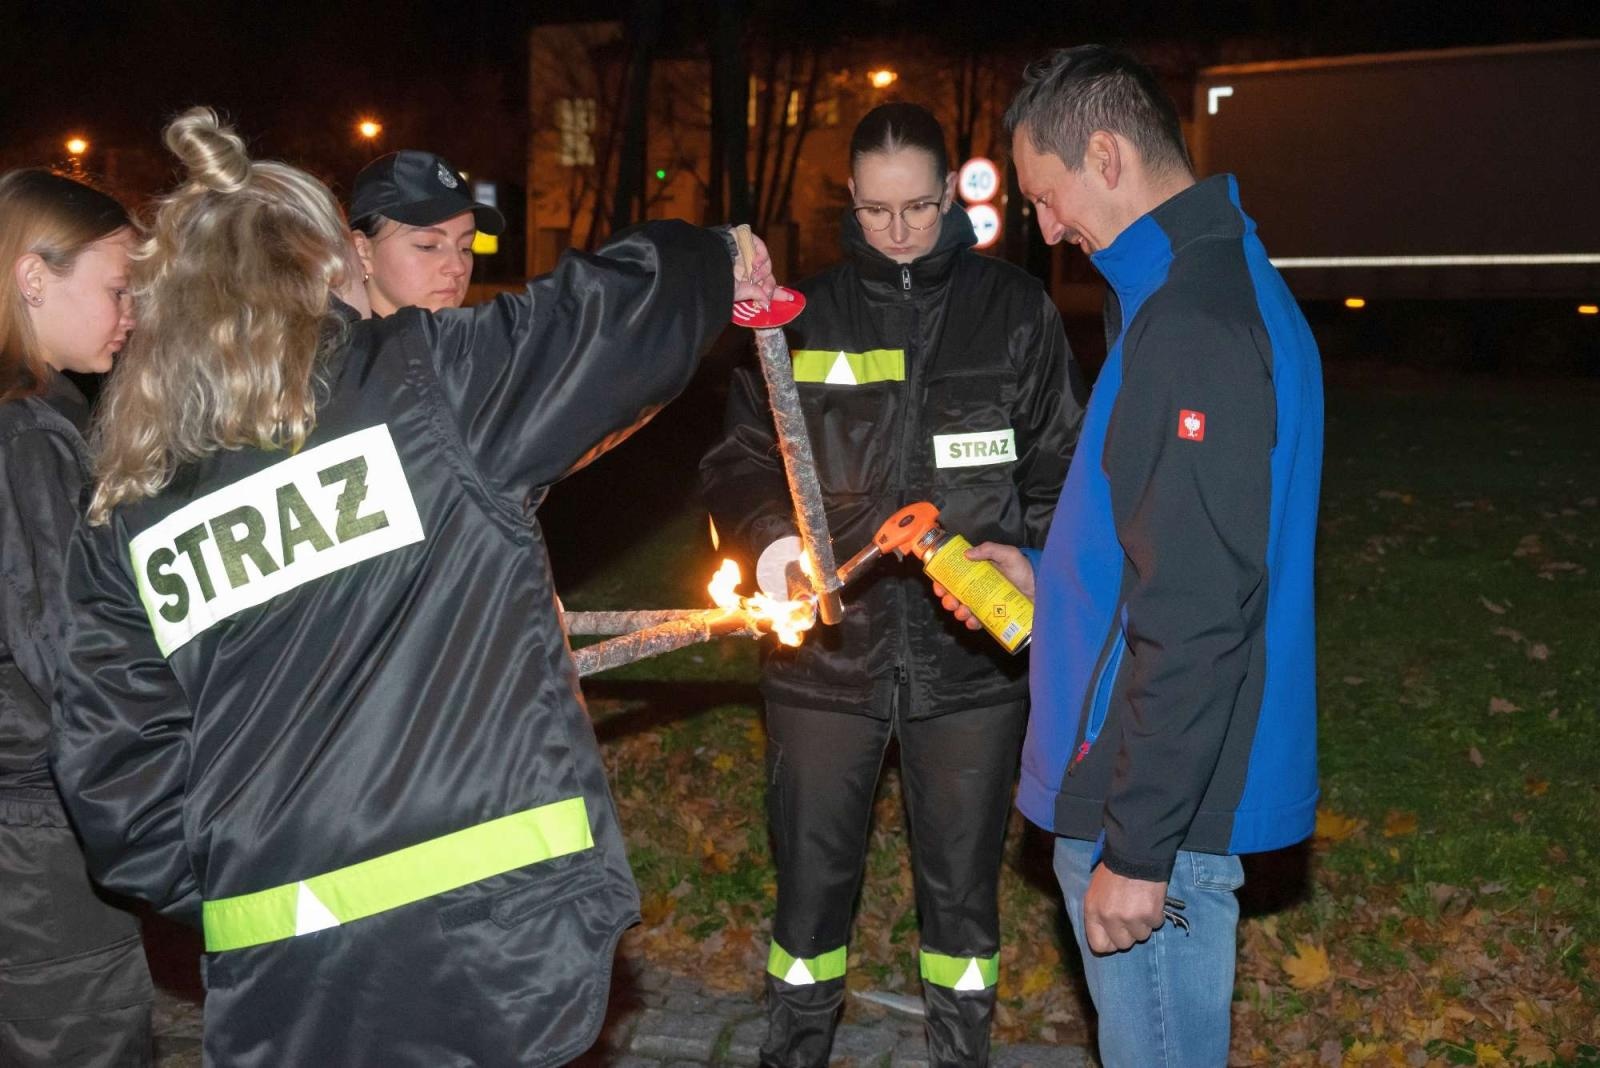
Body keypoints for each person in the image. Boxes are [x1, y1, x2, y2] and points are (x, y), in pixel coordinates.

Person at [49, 108, 778, 1067]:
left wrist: (245, 874)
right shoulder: (428, 383)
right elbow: (606, 319)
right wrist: (713, 254)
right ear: (322, 273)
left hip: (283, 972)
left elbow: (116, 776)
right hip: (491, 947)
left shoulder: (126, 511)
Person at [941, 46, 1324, 1066]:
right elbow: (1162, 541)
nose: (1049, 228)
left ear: (1105, 155)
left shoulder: (1193, 324)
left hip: (1150, 807)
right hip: (1148, 790)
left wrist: (1137, 847)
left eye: (1048, 196)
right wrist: (1048, 581)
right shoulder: (1186, 291)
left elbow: (1201, 608)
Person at [701, 102, 1085, 1068]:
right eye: (876, 212)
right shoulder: (802, 313)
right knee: (809, 894)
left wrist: (1030, 562)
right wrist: (773, 546)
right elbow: (740, 457)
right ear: (851, 203)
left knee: (961, 896)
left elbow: (1067, 477)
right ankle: (796, 1050)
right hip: (824, 663)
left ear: (953, 191)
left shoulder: (1016, 312)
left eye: (917, 206)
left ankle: (963, 1052)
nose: (900, 230)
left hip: (972, 669)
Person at [0, 169, 152, 1066]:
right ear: (32, 278)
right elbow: (75, 657)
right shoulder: (27, 439)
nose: (129, 312)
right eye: (116, 288)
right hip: (37, 843)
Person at [348, 149, 505, 316]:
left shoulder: (472, 338)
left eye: (466, 248)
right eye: (427, 246)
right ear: (362, 250)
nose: (458, 267)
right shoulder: (332, 340)